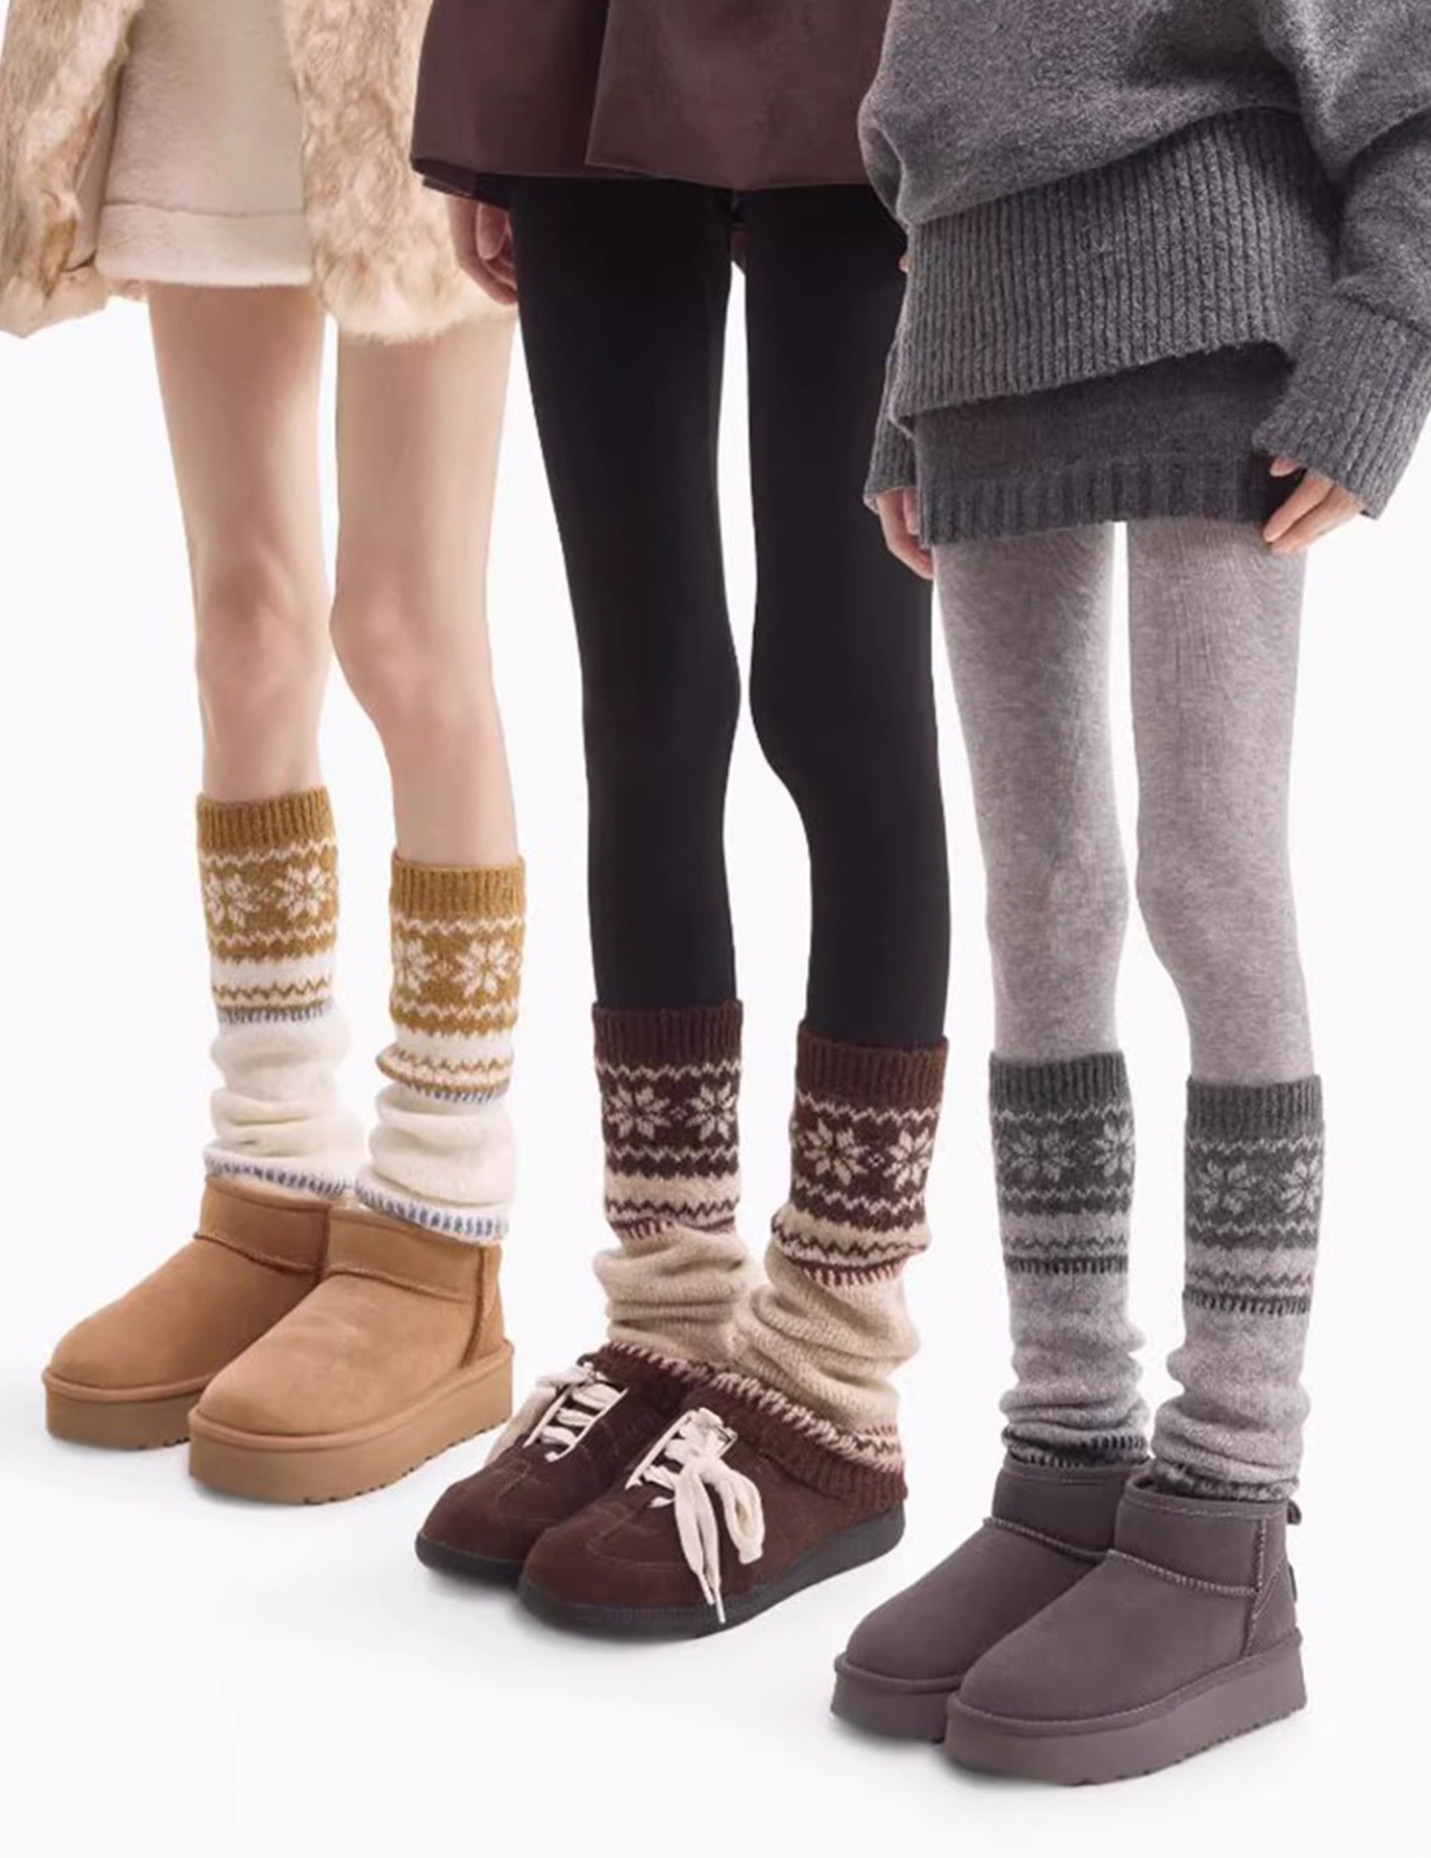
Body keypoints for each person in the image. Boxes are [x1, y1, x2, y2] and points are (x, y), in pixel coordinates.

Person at [833, 0, 1431, 1781]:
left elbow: (1416, 88)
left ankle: (1231, 1504)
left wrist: (1384, 352)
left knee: (1209, 879)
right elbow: (934, 133)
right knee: (1038, 901)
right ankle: (1069, 1457)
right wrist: (903, 402)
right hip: (979, 345)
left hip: (1219, 317)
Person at [409, 0, 952, 1634]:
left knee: (838, 693)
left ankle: (832, 1374)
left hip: (869, 52)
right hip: (589, 45)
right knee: (643, 699)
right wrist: (500, 84)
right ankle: (670, 1322)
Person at [1, 0, 524, 1501]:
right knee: (243, 632)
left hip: (419, 57)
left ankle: (439, 1218)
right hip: (198, 41)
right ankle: (274, 1171)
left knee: (405, 632)